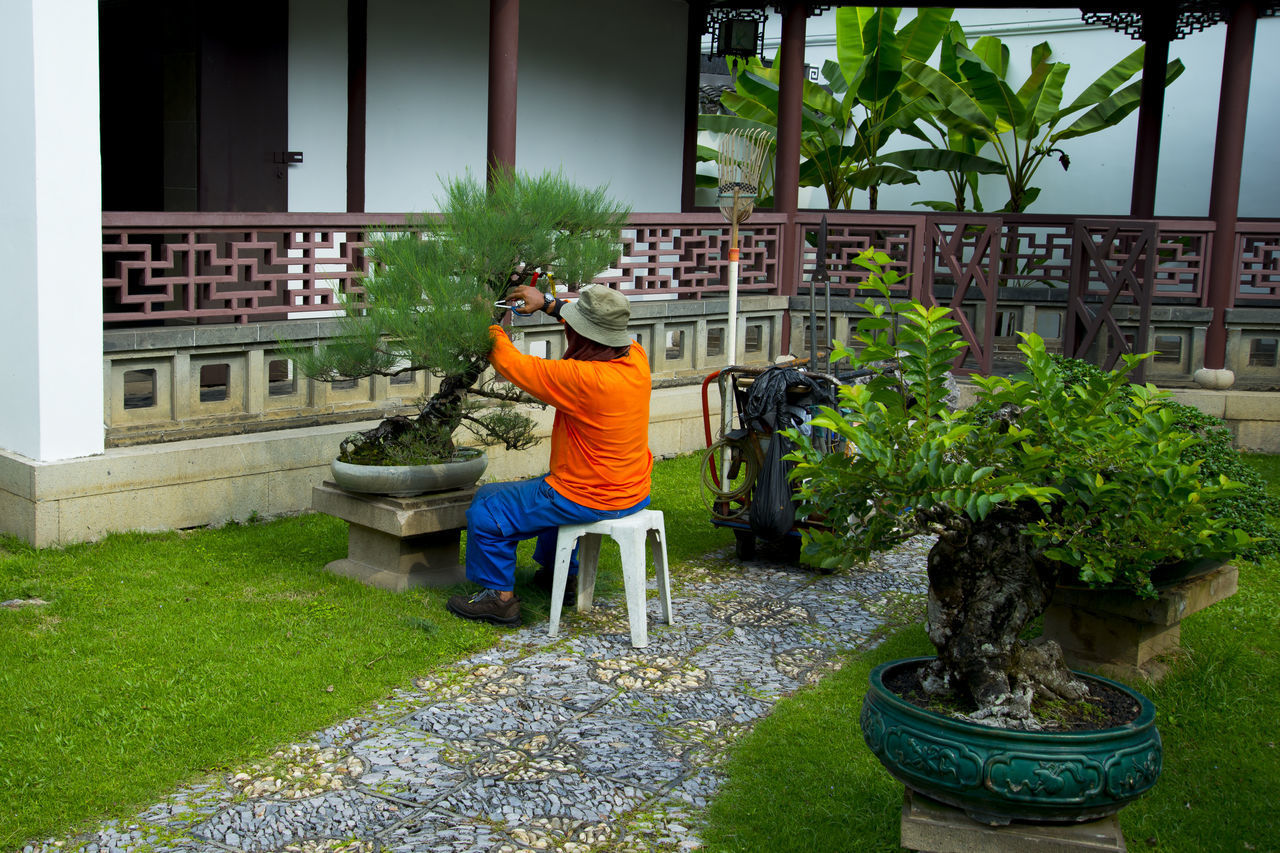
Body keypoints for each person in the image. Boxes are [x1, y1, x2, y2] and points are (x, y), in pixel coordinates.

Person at [445, 283, 653, 625]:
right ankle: (563, 577)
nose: (569, 330)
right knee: (549, 489)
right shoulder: (634, 356)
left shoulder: (585, 379)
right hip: (631, 489)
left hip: (590, 495)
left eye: (574, 327)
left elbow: (514, 365)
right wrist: (549, 304)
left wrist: (487, 323)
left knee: (489, 503)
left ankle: (498, 598)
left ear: (587, 337)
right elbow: (588, 325)